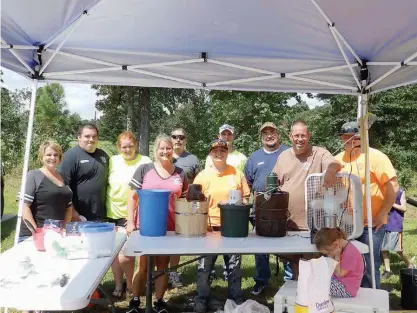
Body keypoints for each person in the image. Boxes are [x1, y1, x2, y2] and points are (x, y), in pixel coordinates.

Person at [126, 134, 188, 313]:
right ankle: (136, 300)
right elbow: (132, 197)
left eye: (168, 148)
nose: (165, 151)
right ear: (156, 150)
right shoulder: (145, 169)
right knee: (144, 265)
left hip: (169, 228)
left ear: (173, 150)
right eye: (162, 148)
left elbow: (182, 201)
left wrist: (183, 226)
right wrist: (130, 222)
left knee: (163, 265)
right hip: (146, 227)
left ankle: (159, 302)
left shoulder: (180, 173)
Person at [272, 119, 341, 279]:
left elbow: (334, 163)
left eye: (303, 135)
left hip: (313, 225)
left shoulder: (319, 152)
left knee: (313, 268)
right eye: (296, 135)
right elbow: (274, 182)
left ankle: (312, 300)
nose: (299, 139)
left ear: (308, 136)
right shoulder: (283, 156)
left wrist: (331, 170)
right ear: (290, 136)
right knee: (292, 265)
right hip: (288, 224)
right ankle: (293, 297)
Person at [335, 121, 399, 289]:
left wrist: (382, 213)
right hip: (345, 225)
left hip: (371, 224)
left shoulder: (375, 156)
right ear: (341, 138)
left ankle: (372, 302)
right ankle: (352, 297)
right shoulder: (336, 160)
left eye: (353, 137)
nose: (349, 141)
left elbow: (392, 187)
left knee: (369, 263)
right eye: (345, 137)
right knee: (347, 263)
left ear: (361, 138)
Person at [193, 139, 250, 313]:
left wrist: (239, 204)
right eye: (215, 150)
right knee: (204, 268)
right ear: (210, 153)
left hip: (232, 229)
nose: (219, 153)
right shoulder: (203, 176)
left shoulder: (237, 174)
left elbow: (246, 198)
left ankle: (235, 297)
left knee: (234, 266)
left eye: (223, 150)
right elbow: (193, 202)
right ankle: (201, 298)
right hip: (209, 229)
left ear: (227, 152)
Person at [244, 122, 290, 295]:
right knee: (260, 248)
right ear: (261, 137)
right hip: (261, 209)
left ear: (278, 134)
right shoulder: (254, 157)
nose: (269, 135)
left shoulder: (288, 152)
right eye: (265, 133)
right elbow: (248, 182)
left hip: (283, 208)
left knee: (287, 247)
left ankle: (289, 282)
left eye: (272, 132)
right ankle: (262, 280)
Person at [105, 131, 152, 298]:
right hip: (112, 211)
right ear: (119, 147)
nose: (127, 150)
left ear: (136, 146)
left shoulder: (145, 161)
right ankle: (118, 283)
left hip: (134, 213)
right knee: (115, 253)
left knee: (128, 252)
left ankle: (131, 284)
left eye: (130, 146)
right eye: (124, 147)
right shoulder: (113, 161)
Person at [18, 141, 73, 241]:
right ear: (41, 157)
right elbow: (24, 207)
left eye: (56, 155)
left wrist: (64, 229)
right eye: (48, 155)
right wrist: (37, 233)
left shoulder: (63, 178)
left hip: (56, 235)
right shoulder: (33, 175)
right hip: (32, 235)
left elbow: (69, 209)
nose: (52, 158)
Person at [168, 128, 201, 288]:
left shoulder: (192, 159)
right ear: (170, 139)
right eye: (174, 137)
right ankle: (155, 274)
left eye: (181, 137)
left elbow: (198, 183)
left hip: (185, 207)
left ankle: (172, 273)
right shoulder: (163, 155)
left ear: (185, 140)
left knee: (177, 241)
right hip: (165, 205)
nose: (178, 140)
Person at [58, 123, 109, 221]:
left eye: (94, 136)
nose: (91, 139)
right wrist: (71, 211)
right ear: (79, 137)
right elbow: (62, 186)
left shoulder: (103, 156)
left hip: (101, 216)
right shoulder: (70, 156)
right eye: (87, 136)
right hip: (79, 216)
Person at [315, 227, 364, 298]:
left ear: (335, 244)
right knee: (315, 279)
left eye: (329, 252)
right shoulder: (343, 248)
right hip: (338, 282)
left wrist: (337, 256)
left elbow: (339, 274)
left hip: (347, 289)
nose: (329, 255)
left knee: (316, 284)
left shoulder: (350, 253)